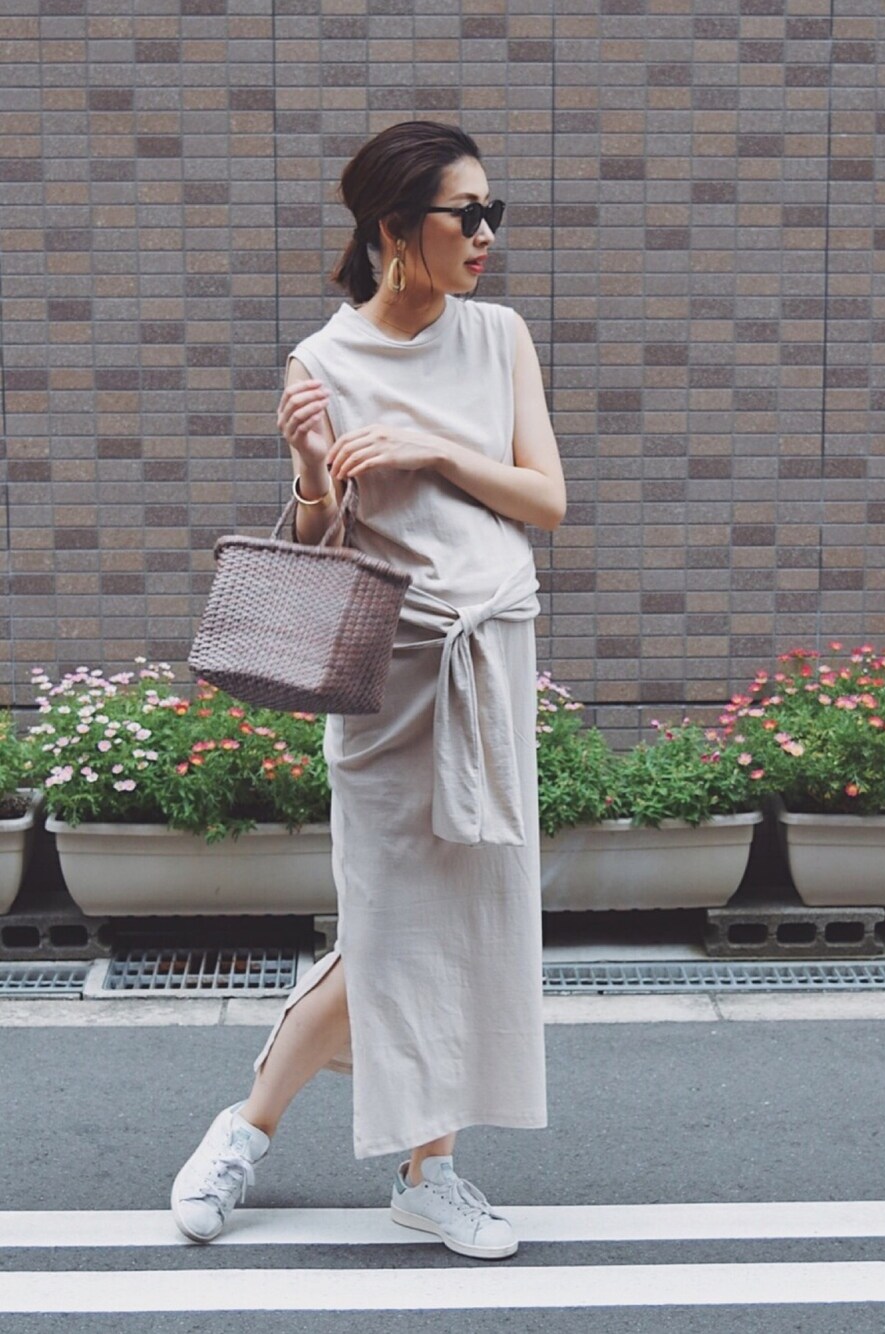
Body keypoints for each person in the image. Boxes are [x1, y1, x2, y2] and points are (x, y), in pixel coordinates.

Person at [170, 120, 567, 1262]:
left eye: (492, 213)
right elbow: (317, 549)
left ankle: (428, 1174)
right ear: (396, 229)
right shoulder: (322, 361)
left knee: (470, 926)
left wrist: (432, 453)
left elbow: (545, 498)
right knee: (391, 926)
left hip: (488, 661)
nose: (486, 235)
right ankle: (245, 1129)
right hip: (391, 677)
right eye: (466, 215)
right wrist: (310, 472)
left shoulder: (498, 336)